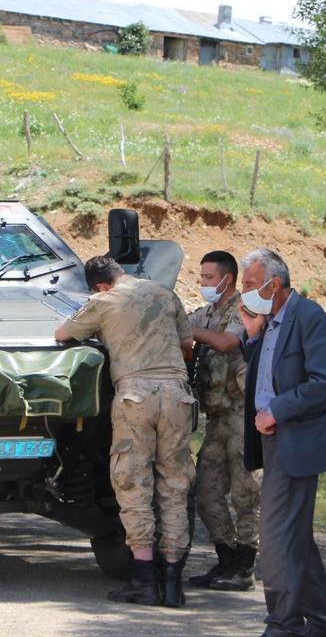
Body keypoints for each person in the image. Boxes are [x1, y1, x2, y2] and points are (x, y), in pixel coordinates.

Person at [55, 255, 196, 608]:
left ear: (101, 284)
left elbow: (62, 334)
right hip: (178, 396)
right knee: (175, 488)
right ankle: (174, 582)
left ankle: (144, 579)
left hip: (135, 397)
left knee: (133, 485)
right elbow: (187, 346)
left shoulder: (104, 300)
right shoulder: (164, 294)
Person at [238, 248, 326, 637]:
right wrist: (251, 337)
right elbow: (268, 368)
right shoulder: (269, 321)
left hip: (299, 439)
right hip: (273, 441)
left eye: (249, 284)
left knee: (276, 536)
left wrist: (277, 410)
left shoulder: (309, 316)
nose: (243, 292)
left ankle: (283, 623)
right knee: (293, 535)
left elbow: (324, 380)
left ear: (274, 284)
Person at [185, 250, 261, 592]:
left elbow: (227, 341)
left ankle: (245, 565)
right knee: (206, 490)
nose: (203, 284)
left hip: (243, 414)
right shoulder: (207, 312)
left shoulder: (244, 309)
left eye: (208, 278)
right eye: (201, 278)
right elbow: (185, 328)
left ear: (227, 279)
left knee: (247, 492)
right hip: (217, 417)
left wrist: (192, 334)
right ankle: (226, 558)